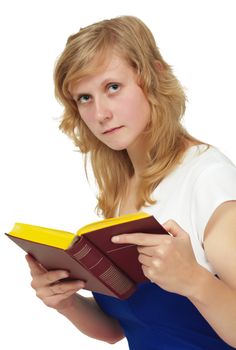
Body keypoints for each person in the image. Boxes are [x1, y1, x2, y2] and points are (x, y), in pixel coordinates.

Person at [25, 15, 236, 349]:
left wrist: (194, 280)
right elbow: (121, 329)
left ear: (155, 76)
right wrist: (65, 302)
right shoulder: (122, 185)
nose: (100, 114)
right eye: (84, 98)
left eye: (112, 87)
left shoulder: (207, 178)